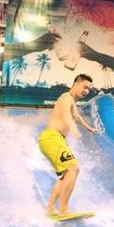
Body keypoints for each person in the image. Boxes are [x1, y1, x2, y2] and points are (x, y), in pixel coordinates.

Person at [38, 74, 99, 216]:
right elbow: (66, 115)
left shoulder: (72, 100)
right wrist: (72, 128)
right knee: (74, 168)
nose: (86, 91)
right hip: (52, 138)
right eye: (84, 87)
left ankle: (50, 209)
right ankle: (64, 210)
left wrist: (88, 128)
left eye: (89, 89)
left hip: (52, 139)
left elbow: (76, 117)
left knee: (66, 174)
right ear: (75, 84)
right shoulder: (66, 98)